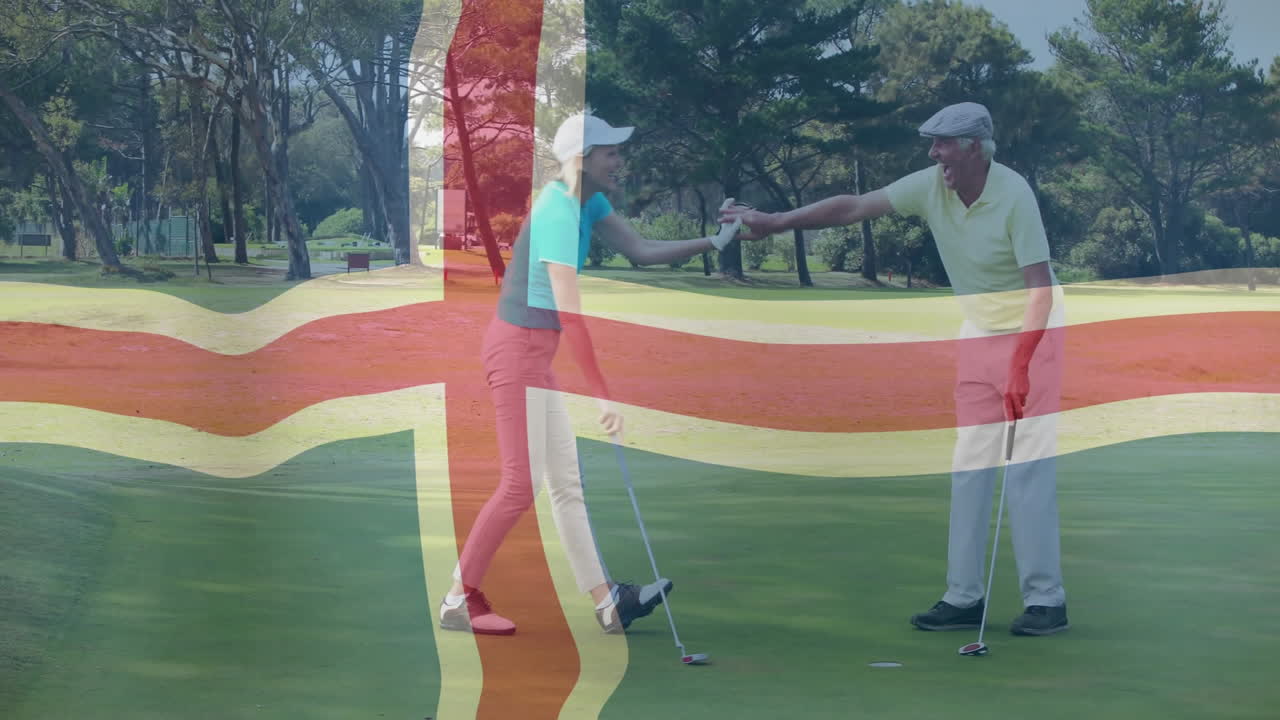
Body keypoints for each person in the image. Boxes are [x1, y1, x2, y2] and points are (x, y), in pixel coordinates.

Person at [720, 102, 1070, 637]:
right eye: (932, 144)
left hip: (1033, 333)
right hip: (978, 333)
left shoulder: (1015, 195)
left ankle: (1046, 600)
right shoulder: (930, 185)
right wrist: (775, 223)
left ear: (974, 147)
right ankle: (963, 596)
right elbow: (853, 207)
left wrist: (1021, 368)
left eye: (943, 143)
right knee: (970, 465)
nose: (934, 153)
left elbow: (1039, 289)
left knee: (1026, 467)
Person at [441, 111, 744, 635]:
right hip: (515, 351)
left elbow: (641, 251)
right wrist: (602, 395)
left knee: (566, 482)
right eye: (611, 153)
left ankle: (609, 603)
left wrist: (713, 244)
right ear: (581, 160)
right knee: (520, 484)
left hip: (534, 352)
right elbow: (571, 313)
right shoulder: (558, 212)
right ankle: (458, 599)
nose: (620, 161)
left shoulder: (589, 201)